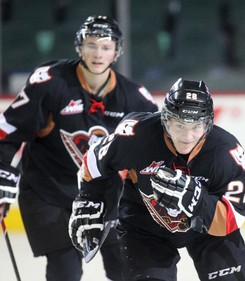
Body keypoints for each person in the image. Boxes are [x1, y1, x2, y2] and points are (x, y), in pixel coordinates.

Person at [0, 15, 158, 281]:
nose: (98, 53)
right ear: (79, 47)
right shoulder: (50, 83)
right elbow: (8, 131)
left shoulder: (134, 97)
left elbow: (154, 150)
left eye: (106, 46)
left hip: (105, 195)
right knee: (66, 270)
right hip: (48, 191)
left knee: (126, 267)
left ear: (116, 52)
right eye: (91, 44)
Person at [68, 78, 245, 281]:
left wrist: (196, 201)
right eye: (180, 125)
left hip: (208, 231)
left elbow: (232, 219)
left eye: (196, 126)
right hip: (144, 227)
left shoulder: (226, 153)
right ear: (166, 119)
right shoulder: (135, 134)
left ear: (208, 124)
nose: (188, 136)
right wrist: (90, 199)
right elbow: (94, 162)